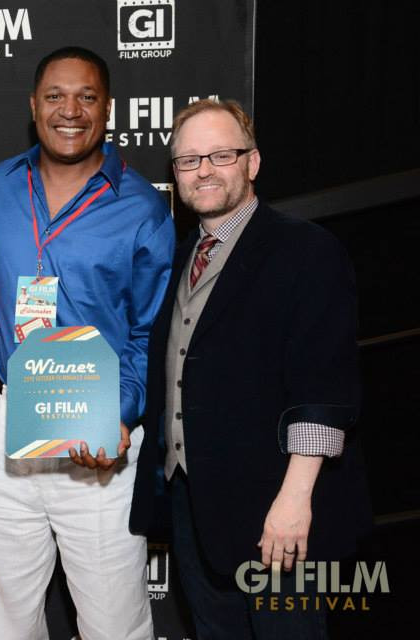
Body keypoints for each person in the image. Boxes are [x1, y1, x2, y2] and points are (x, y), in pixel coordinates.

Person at [130, 99, 372, 639]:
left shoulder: (305, 250)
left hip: (277, 510)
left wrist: (294, 500)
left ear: (252, 162)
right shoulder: (184, 256)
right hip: (196, 507)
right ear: (175, 173)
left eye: (221, 155)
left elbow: (324, 386)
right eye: (189, 160)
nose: (204, 170)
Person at [0, 47, 175, 639]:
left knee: (115, 622)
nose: (70, 110)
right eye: (55, 96)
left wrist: (121, 415)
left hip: (98, 433)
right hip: (7, 426)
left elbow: (149, 330)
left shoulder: (142, 207)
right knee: (3, 618)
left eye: (87, 97)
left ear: (107, 109)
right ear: (33, 105)